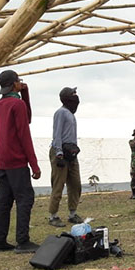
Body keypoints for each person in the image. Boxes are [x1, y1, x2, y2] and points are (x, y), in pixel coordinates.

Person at [0, 70, 41, 254]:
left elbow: (25, 119)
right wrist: (34, 164)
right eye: (19, 80)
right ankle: (23, 241)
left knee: (4, 201)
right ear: (14, 84)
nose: (21, 82)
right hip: (16, 160)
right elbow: (24, 133)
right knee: (25, 199)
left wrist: (24, 92)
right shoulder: (16, 104)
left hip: (2, 158)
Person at [48, 87, 83, 227]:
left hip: (71, 152)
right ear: (67, 97)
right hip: (60, 151)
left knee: (75, 184)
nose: (76, 97)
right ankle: (53, 216)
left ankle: (72, 214)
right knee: (58, 184)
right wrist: (59, 153)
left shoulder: (71, 114)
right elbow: (57, 133)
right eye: (73, 94)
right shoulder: (61, 113)